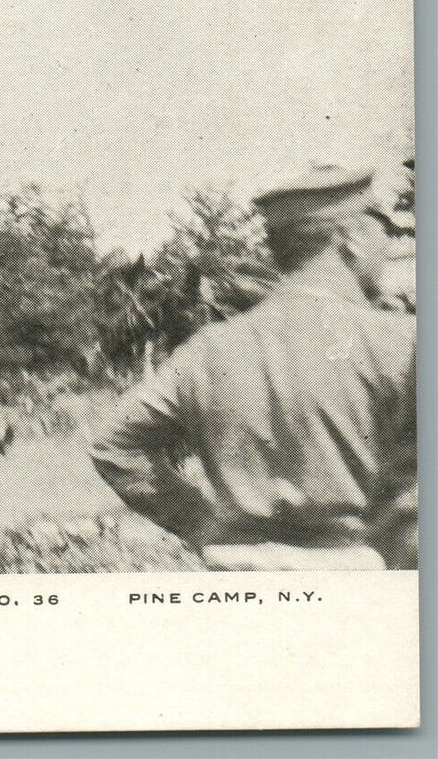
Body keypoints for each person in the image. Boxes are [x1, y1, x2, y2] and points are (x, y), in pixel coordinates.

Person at [89, 165, 417, 570]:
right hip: (360, 582)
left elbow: (112, 444)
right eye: (386, 230)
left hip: (240, 582)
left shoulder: (207, 351)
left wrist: (205, 525)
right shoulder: (403, 341)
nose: (391, 246)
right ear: (352, 239)